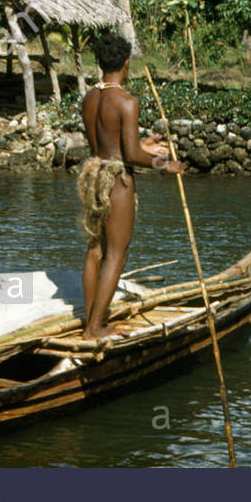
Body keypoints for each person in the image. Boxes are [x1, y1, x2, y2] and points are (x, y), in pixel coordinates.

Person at [77, 32, 183, 340]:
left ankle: (90, 320)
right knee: (117, 255)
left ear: (99, 64)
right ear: (126, 64)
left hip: (95, 174)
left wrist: (142, 144)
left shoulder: (90, 98)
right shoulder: (127, 101)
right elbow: (132, 156)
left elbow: (108, 143)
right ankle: (95, 328)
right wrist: (165, 165)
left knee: (95, 249)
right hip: (117, 182)